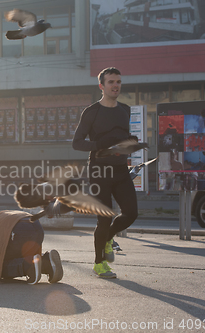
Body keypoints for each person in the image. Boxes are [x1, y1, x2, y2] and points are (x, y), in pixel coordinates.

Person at [72, 67, 138, 278]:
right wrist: (100, 144)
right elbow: (77, 143)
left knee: (131, 213)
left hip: (120, 169)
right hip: (99, 170)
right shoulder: (92, 112)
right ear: (101, 86)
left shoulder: (125, 110)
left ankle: (108, 238)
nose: (115, 85)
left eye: (118, 81)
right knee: (104, 218)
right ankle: (99, 264)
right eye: (111, 82)